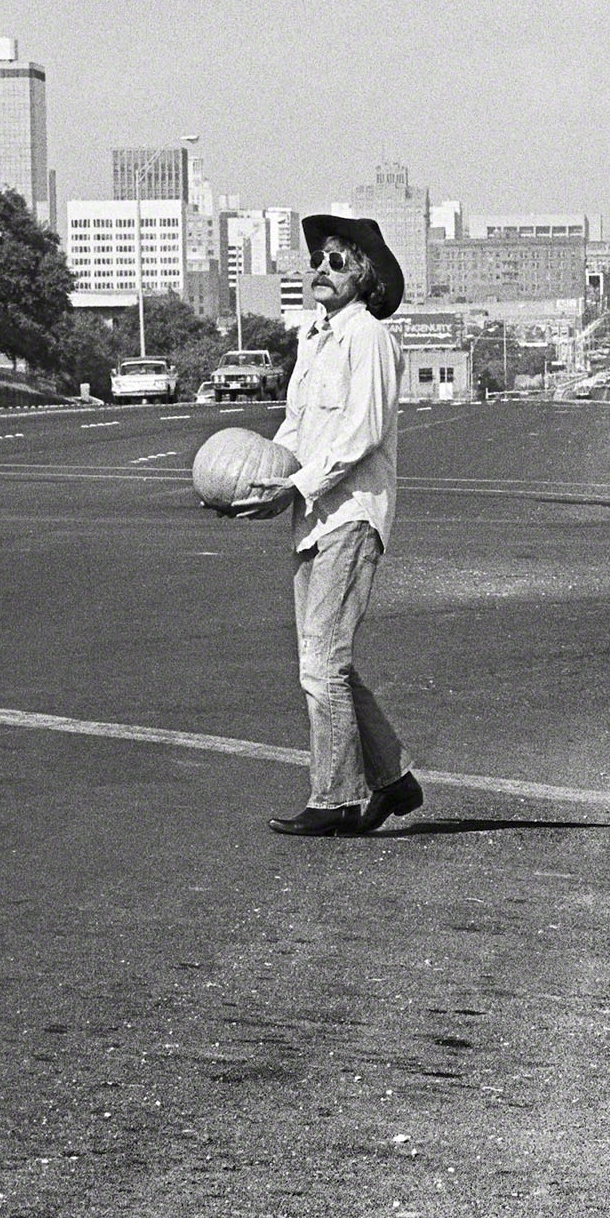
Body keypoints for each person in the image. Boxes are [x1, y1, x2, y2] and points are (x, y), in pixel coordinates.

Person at [236, 215, 424, 838]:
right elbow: (296, 429)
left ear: (363, 277)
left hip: (350, 515)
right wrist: (264, 479)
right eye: (319, 258)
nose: (322, 269)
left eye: (338, 262)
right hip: (311, 516)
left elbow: (361, 434)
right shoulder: (313, 340)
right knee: (326, 661)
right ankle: (392, 779)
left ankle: (336, 799)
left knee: (322, 662)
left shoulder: (368, 337)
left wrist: (300, 484)